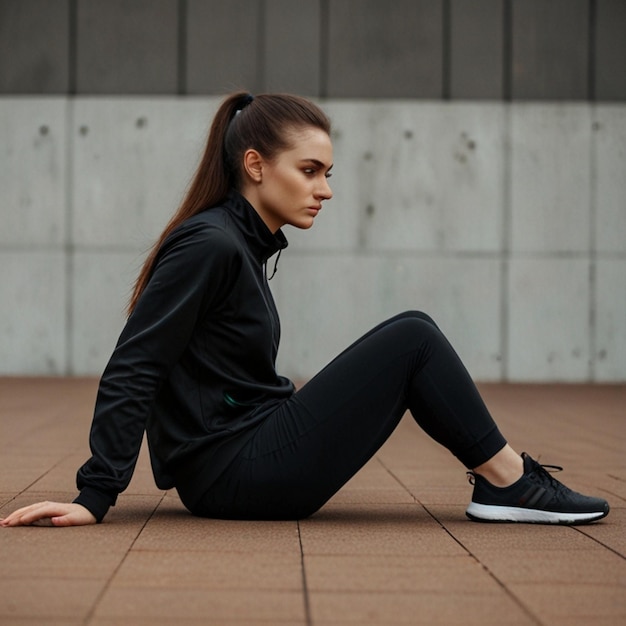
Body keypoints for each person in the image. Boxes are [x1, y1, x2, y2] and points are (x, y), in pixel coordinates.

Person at [0, 92, 609, 528]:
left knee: (411, 336)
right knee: (413, 337)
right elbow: (136, 363)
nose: (326, 189)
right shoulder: (211, 244)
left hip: (247, 455)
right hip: (234, 473)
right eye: (310, 170)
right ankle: (510, 482)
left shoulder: (240, 244)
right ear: (256, 166)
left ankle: (507, 483)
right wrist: (95, 494)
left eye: (328, 172)